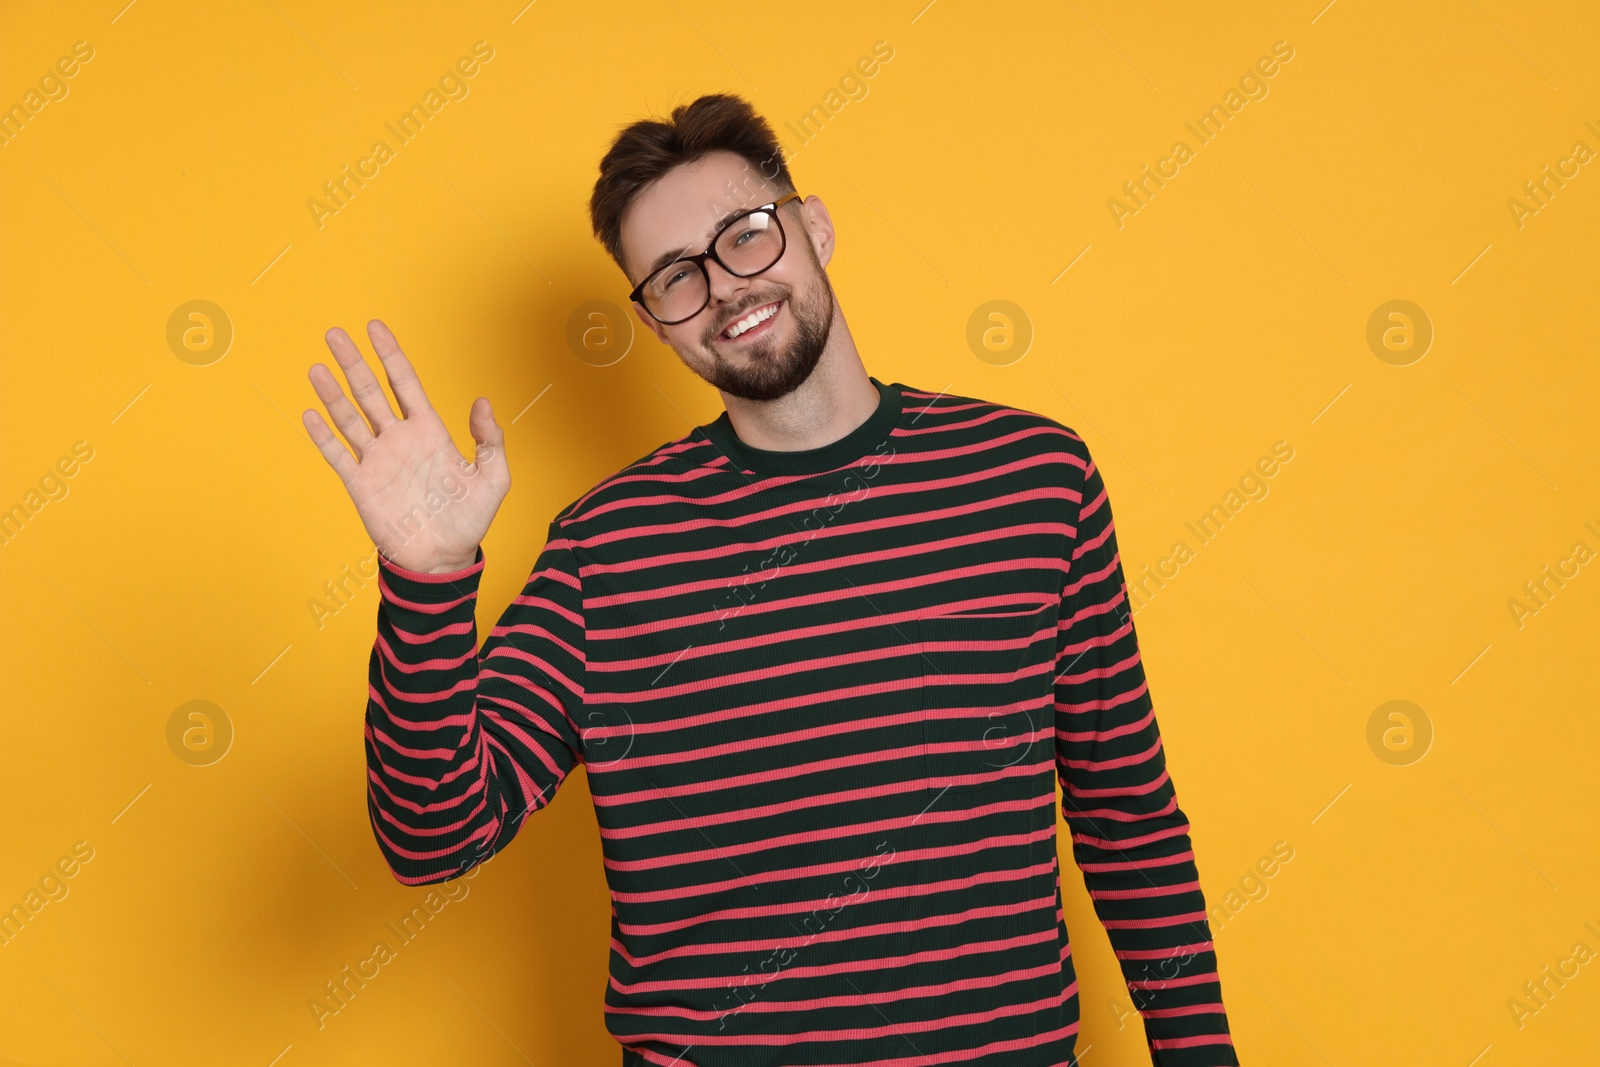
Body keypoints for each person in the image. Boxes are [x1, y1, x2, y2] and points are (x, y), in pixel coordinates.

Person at [302, 92, 1238, 1067]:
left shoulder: (1030, 479)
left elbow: (1127, 812)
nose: (724, 288)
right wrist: (430, 576)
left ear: (814, 226)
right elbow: (433, 832)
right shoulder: (605, 548)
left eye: (745, 236)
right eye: (674, 277)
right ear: (654, 323)